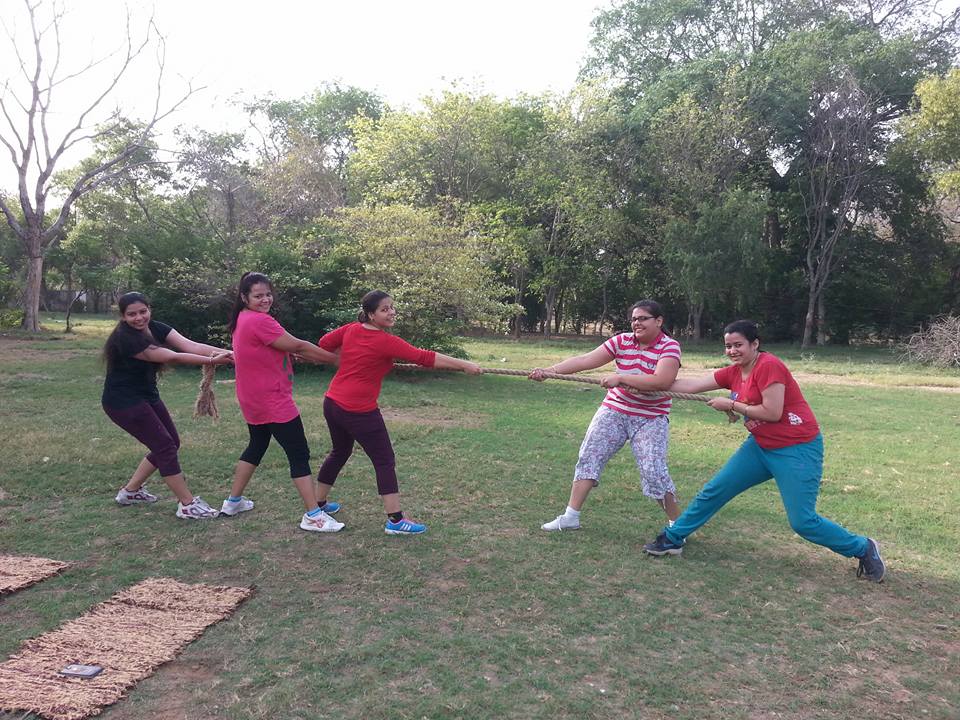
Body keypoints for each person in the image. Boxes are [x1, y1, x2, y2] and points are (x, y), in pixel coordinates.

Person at [642, 320, 886, 583]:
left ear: (755, 344)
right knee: (716, 489)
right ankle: (674, 537)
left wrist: (733, 404)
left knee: (802, 522)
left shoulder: (769, 366)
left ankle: (864, 548)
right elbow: (690, 386)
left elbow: (772, 412)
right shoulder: (734, 372)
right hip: (761, 446)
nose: (733, 351)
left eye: (738, 345)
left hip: (797, 448)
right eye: (728, 346)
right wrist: (647, 384)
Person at [316, 290, 482, 535]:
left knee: (340, 451)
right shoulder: (385, 341)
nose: (391, 312)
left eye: (392, 307)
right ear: (371, 314)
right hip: (358, 409)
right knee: (384, 460)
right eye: (384, 309)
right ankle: (395, 520)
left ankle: (318, 504)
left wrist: (349, 357)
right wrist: (465, 364)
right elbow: (425, 357)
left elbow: (324, 344)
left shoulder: (351, 329)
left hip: (333, 403)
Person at [529, 300, 682, 531]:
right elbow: (585, 360)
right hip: (615, 410)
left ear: (658, 321)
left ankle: (679, 526)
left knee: (653, 471)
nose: (636, 323)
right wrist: (550, 372)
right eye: (633, 319)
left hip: (651, 417)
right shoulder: (621, 341)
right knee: (589, 456)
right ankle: (571, 517)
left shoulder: (669, 347)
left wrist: (621, 378)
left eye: (643, 318)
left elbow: (662, 381)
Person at [221, 272, 344, 533]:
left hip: (253, 397)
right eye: (258, 295)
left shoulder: (243, 319)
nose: (265, 299)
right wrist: (337, 360)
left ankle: (233, 502)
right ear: (244, 297)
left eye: (268, 294)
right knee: (298, 454)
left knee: (257, 444)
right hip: (271, 399)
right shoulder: (258, 321)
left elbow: (278, 348)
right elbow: (298, 346)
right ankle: (313, 515)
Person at [103, 291, 233, 519]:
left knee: (170, 442)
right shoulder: (125, 338)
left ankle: (130, 492)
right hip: (124, 401)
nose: (139, 318)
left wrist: (228, 353)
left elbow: (189, 345)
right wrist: (212, 360)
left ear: (149, 309)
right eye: (131, 314)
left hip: (146, 396)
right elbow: (171, 356)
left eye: (143, 311)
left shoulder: (156, 327)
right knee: (165, 446)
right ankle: (187, 504)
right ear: (123, 317)